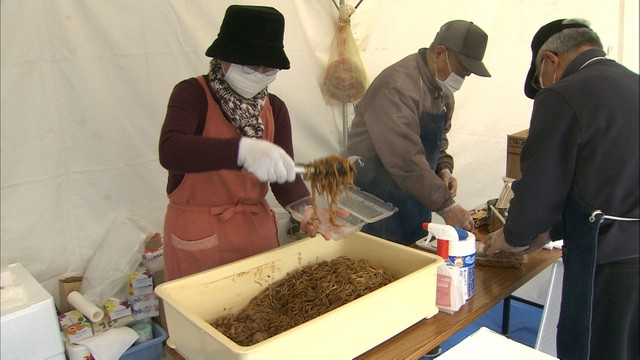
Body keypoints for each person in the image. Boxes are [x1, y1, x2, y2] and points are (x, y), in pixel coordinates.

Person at [483, 19, 639, 360]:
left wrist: (512, 237)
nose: (544, 86)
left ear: (550, 61)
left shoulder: (563, 95)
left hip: (606, 263)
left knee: (591, 350)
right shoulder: (633, 85)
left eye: (540, 79)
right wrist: (551, 232)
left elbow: (542, 188)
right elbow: (604, 183)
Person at [159, 5, 317, 281]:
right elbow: (172, 151)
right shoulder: (191, 95)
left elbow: (283, 175)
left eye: (268, 69)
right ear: (223, 57)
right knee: (203, 314)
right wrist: (242, 150)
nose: (259, 73)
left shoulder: (275, 108)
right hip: (199, 234)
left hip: (255, 232)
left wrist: (305, 209)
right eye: (250, 66)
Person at [346, 20, 491, 246]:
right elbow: (404, 157)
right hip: (376, 200)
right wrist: (447, 206)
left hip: (416, 197)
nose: (464, 78)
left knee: (414, 256)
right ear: (440, 53)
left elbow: (439, 140)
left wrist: (443, 168)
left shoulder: (442, 93)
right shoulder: (397, 87)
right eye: (463, 70)